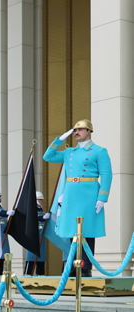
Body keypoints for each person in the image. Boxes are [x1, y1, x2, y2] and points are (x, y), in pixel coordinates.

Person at [44, 119, 110, 278]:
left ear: (89, 131)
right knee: (71, 230)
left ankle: (86, 267)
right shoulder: (69, 152)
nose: (76, 133)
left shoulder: (99, 151)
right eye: (74, 130)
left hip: (89, 193)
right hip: (71, 193)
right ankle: (74, 264)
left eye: (80, 130)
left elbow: (106, 174)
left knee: (87, 230)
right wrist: (59, 139)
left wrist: (102, 197)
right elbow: (48, 156)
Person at [24, 191, 50, 276]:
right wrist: (42, 218)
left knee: (41, 257)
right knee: (31, 256)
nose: (42, 201)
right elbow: (32, 218)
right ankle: (28, 274)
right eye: (40, 199)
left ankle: (41, 274)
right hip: (33, 236)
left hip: (41, 235)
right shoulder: (31, 209)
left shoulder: (40, 210)